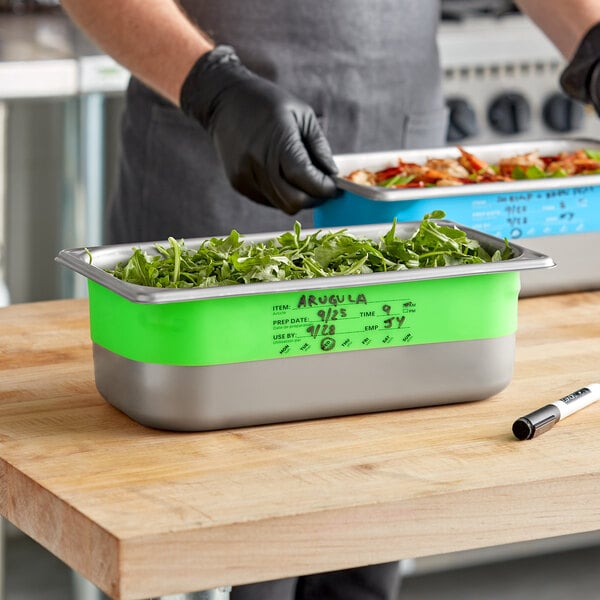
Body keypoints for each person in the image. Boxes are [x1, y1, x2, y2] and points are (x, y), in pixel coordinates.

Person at [59, 1, 600, 599]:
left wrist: (593, 36)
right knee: (227, 532)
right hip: (211, 147)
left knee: (373, 526)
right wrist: (210, 86)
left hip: (395, 147)